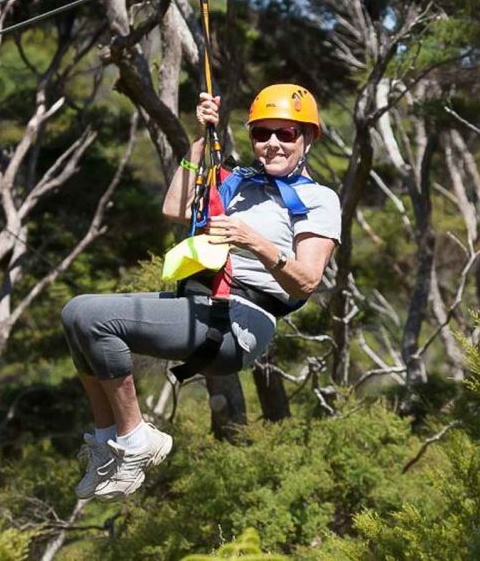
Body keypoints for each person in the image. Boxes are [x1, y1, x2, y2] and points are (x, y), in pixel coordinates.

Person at [60, 84, 341, 501]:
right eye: (262, 133)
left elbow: (306, 281)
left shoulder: (319, 199)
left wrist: (254, 241)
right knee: (76, 314)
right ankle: (108, 442)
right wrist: (199, 140)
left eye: (285, 133)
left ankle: (136, 438)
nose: (273, 143)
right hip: (198, 303)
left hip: (238, 321)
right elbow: (174, 209)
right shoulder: (239, 183)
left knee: (93, 319)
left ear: (307, 138)